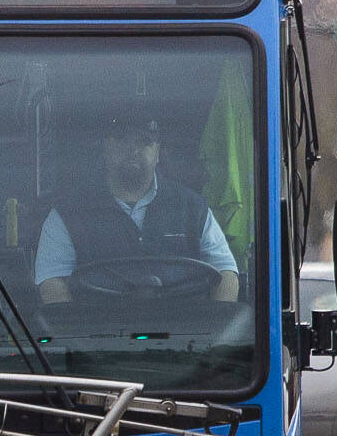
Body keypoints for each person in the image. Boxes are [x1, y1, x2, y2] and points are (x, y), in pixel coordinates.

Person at [33, 111, 240, 304]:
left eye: (144, 141)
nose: (132, 150)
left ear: (158, 153)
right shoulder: (67, 213)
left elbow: (226, 274)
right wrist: (77, 338)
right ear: (105, 148)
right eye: (122, 139)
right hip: (97, 337)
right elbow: (52, 282)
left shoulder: (193, 208)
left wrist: (214, 339)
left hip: (185, 338)